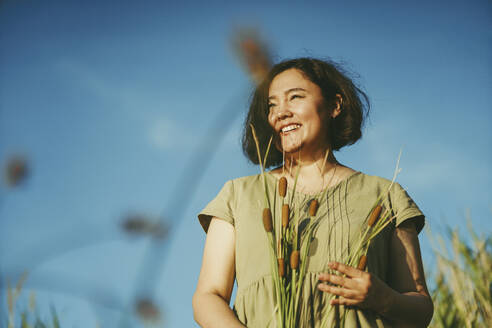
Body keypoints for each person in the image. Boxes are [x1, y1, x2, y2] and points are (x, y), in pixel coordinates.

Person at [192, 58, 434, 327]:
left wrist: (383, 298)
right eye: (272, 105)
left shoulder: (385, 195)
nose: (280, 112)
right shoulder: (238, 195)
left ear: (334, 105)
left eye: (294, 97)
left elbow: (421, 307)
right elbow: (207, 297)